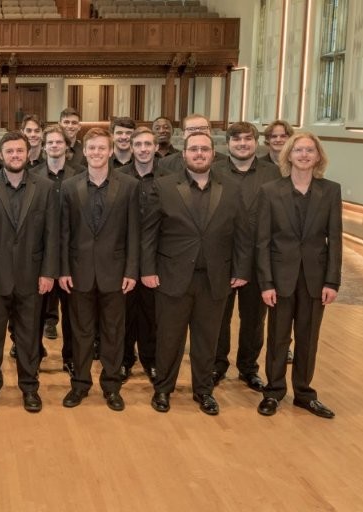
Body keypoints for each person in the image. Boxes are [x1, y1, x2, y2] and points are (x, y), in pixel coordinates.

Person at [140, 131, 251, 416]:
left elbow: (242, 233)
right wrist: (147, 269)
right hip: (171, 276)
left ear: (213, 154)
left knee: (207, 340)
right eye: (193, 149)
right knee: (169, 338)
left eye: (204, 149)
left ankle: (204, 391)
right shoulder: (164, 186)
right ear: (184, 154)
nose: (199, 154)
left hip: (215, 278)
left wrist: (241, 269)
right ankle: (163, 389)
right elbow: (149, 233)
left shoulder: (231, 188)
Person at [0, 132, 59, 413]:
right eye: (10, 151)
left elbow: (52, 234)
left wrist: (48, 273)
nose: (15, 155)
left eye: (20, 151)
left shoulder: (45, 188)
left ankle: (30, 388)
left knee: (29, 337)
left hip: (32, 277)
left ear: (28, 153)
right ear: (0, 155)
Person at [255, 132, 342, 419]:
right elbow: (263, 241)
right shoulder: (270, 191)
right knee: (278, 338)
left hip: (315, 279)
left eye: (310, 150)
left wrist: (332, 281)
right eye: (298, 150)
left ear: (318, 157)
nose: (304, 155)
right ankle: (273, 391)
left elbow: (335, 240)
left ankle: (304, 393)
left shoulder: (331, 191)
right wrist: (266, 283)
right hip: (280, 278)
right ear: (288, 155)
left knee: (308, 338)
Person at [58, 128, 140, 410]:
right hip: (78, 272)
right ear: (84, 151)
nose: (96, 153)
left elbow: (134, 232)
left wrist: (131, 270)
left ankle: (112, 386)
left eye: (101, 148)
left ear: (111, 151)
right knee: (80, 333)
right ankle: (79, 385)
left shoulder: (129, 186)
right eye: (91, 148)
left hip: (116, 274)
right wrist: (63, 270)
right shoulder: (69, 186)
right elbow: (64, 233)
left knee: (113, 333)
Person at [211, 122, 281, 391]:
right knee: (219, 318)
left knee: (254, 319)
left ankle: (248, 368)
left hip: (258, 259)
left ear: (256, 142)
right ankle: (217, 365)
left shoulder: (273, 173)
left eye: (248, 139)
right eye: (237, 139)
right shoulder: (214, 170)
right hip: (222, 258)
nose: (242, 143)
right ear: (227, 143)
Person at [115, 128, 171, 383]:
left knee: (152, 313)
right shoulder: (119, 178)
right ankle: (125, 359)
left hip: (157, 257)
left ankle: (151, 360)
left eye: (148, 144)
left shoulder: (169, 179)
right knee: (124, 313)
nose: (143, 149)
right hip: (123, 256)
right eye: (138, 144)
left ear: (156, 147)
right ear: (131, 147)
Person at [28, 125, 81, 371]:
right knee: (36, 310)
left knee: (72, 312)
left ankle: (70, 357)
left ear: (66, 146)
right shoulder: (32, 175)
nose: (54, 146)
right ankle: (34, 353)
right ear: (43, 146)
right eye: (50, 142)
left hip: (72, 252)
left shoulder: (80, 174)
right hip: (41, 253)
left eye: (59, 142)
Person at [157, 114, 226, 173]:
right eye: (191, 129)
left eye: (203, 128)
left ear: (210, 132)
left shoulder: (225, 162)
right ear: (183, 134)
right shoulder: (166, 163)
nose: (197, 132)